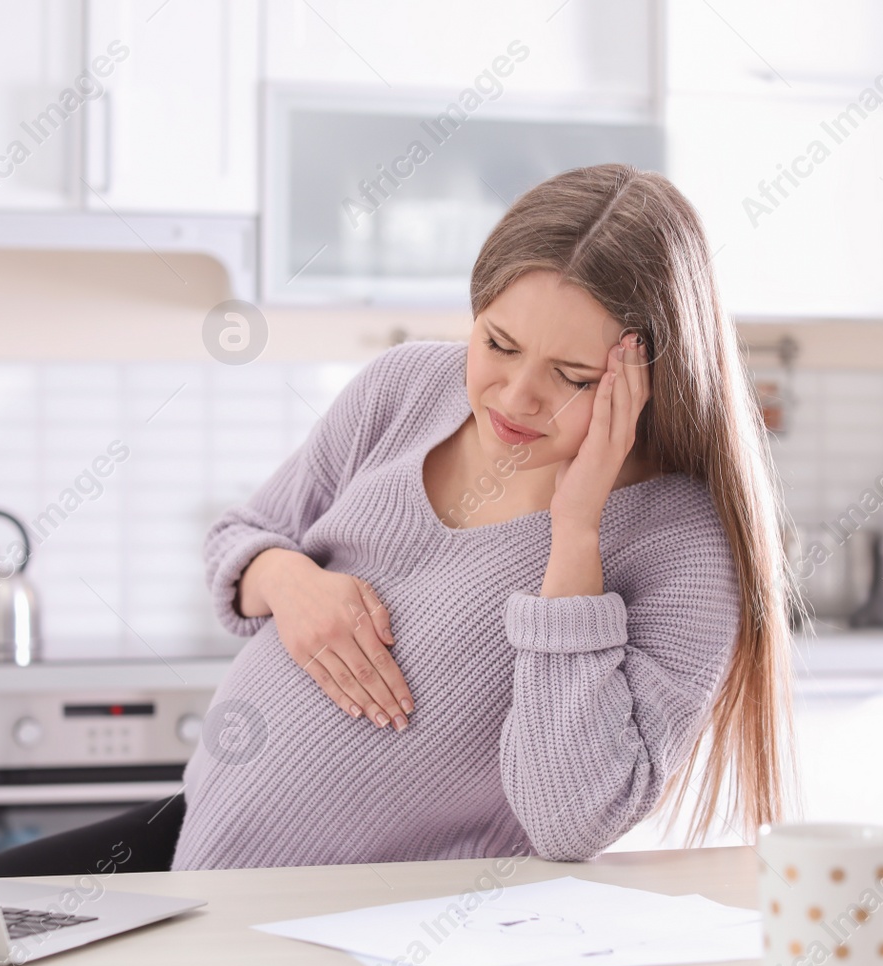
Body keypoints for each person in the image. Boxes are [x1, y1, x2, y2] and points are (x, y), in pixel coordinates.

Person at [166, 163, 800, 872]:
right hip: (204, 861)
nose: (517, 397)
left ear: (655, 378)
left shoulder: (683, 547)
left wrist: (577, 529)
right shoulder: (404, 386)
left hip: (377, 931)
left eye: (574, 377)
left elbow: (572, 817)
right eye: (498, 344)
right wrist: (286, 581)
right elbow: (240, 538)